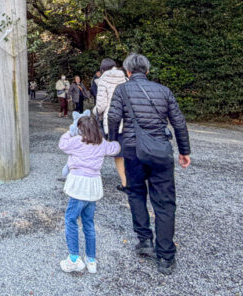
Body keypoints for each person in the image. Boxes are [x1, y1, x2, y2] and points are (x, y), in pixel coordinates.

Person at [107, 53, 191, 276]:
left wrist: (114, 142)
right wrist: (184, 151)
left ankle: (144, 240)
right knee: (164, 202)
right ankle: (165, 256)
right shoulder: (164, 91)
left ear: (127, 72)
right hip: (161, 150)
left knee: (135, 193)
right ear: (147, 70)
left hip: (133, 150)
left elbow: (113, 117)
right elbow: (179, 122)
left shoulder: (122, 90)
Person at [58, 115, 121, 273]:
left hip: (79, 185)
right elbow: (116, 148)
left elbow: (62, 144)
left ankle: (74, 258)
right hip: (93, 185)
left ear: (80, 129)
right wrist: (112, 136)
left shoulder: (77, 141)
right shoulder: (102, 143)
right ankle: (91, 260)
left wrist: (69, 132)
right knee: (89, 223)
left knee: (70, 219)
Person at [94, 58, 128, 192]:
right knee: (129, 151)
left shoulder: (103, 80)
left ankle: (125, 183)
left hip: (113, 120)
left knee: (118, 153)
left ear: (103, 69)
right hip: (127, 119)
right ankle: (135, 180)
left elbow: (101, 105)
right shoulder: (125, 78)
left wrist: (95, 111)